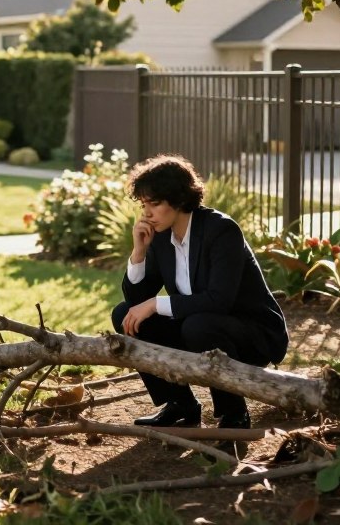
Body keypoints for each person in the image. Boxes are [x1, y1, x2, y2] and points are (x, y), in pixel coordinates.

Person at [110, 154, 289, 429]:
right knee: (126, 314)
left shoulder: (221, 230)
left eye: (154, 204)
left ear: (179, 199)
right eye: (144, 204)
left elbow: (219, 300)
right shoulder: (159, 237)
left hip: (252, 334)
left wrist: (156, 304)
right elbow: (136, 302)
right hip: (199, 328)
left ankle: (234, 413)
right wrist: (139, 252)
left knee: (199, 325)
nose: (146, 213)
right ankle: (181, 406)